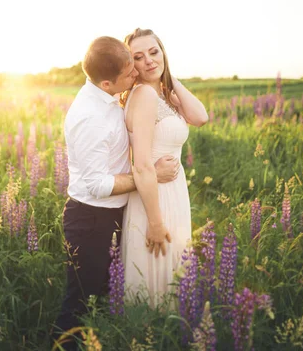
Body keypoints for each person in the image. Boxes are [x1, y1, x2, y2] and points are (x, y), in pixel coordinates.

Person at [52, 36, 180, 350]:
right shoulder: (90, 118)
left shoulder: (110, 97)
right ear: (108, 82)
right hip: (90, 219)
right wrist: (149, 177)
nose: (136, 73)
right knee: (80, 302)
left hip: (116, 213)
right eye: (129, 73)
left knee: (109, 295)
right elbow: (98, 184)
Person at [120, 28, 209, 308]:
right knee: (155, 285)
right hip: (154, 199)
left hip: (172, 193)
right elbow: (142, 164)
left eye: (154, 52)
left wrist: (168, 77)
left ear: (163, 52)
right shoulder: (145, 95)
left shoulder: (161, 95)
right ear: (130, 64)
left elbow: (200, 117)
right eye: (138, 56)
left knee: (171, 276)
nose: (148, 60)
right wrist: (155, 224)